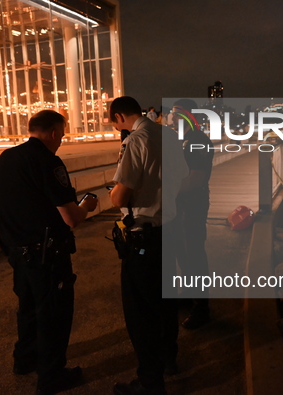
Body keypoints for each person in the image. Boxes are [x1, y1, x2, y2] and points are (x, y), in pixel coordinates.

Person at [0, 110, 97, 395]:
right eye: (61, 135)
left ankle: (23, 358)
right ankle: (51, 375)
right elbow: (71, 218)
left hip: (16, 249)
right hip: (46, 254)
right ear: (53, 133)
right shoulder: (48, 162)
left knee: (27, 306)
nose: (61, 141)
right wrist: (87, 205)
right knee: (53, 313)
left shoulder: (5, 159)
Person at [109, 96, 187, 395]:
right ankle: (170, 360)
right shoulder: (166, 134)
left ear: (118, 117)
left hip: (144, 235)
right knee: (166, 302)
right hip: (169, 227)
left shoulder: (135, 140)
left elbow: (119, 196)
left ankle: (150, 381)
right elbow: (179, 179)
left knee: (141, 312)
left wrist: (117, 193)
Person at [171, 99, 214, 330]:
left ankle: (201, 307)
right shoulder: (179, 140)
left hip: (193, 205)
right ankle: (188, 294)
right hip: (177, 206)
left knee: (194, 252)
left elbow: (196, 179)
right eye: (172, 114)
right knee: (181, 251)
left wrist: (166, 188)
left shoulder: (199, 141)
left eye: (178, 114)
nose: (173, 118)